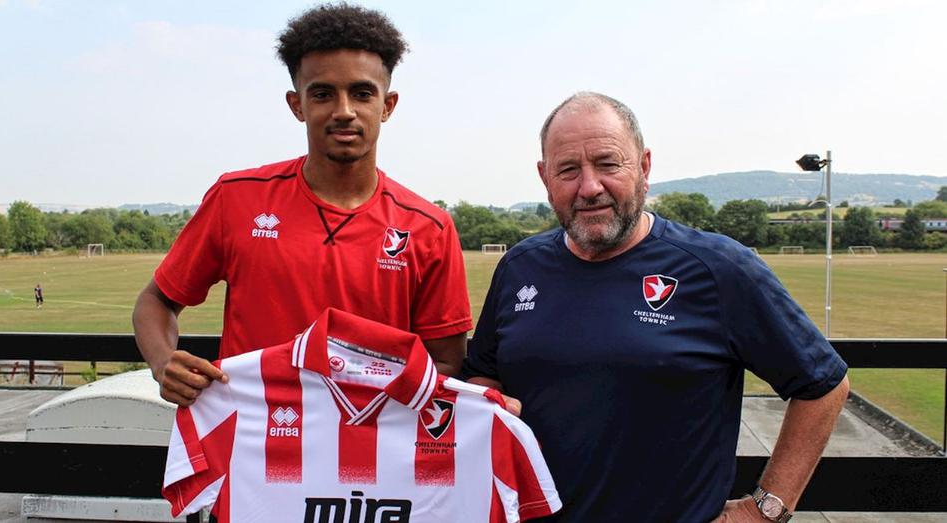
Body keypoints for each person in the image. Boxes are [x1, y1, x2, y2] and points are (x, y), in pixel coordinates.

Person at [463, 92, 850, 522]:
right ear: (544, 176)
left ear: (644, 166)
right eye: (568, 169)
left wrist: (766, 509)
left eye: (608, 164)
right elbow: (485, 373)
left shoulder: (719, 268)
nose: (589, 187)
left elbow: (823, 386)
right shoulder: (519, 267)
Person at [133, 3, 472, 408]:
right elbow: (156, 301)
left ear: (387, 105)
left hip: (369, 456)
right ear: (297, 105)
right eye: (323, 94)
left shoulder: (428, 227)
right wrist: (163, 362)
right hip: (252, 445)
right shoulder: (236, 198)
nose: (344, 111)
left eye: (362, 93)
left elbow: (446, 363)